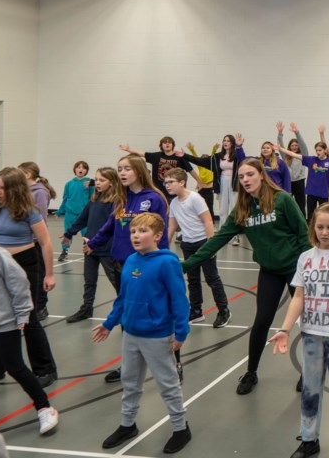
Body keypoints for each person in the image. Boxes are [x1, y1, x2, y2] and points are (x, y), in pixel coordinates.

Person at [179, 158, 310, 395]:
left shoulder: (283, 200)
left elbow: (303, 235)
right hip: (269, 270)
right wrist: (187, 265)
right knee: (262, 321)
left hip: (295, 269)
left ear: (261, 174)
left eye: (250, 174)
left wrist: (306, 272)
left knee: (308, 321)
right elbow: (218, 239)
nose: (246, 180)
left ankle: (309, 371)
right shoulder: (243, 208)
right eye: (241, 177)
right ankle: (251, 371)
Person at [269, 203, 329, 458]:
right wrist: (285, 328)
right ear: (313, 227)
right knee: (310, 390)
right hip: (312, 333)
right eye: (320, 226)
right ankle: (309, 439)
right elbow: (298, 297)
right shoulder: (306, 258)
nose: (324, 232)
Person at [92, 213, 192, 454]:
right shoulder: (131, 261)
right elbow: (123, 298)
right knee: (130, 381)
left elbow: (179, 300)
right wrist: (109, 323)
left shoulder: (167, 263)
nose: (136, 236)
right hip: (131, 334)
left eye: (143, 231)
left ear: (157, 236)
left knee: (167, 384)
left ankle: (180, 428)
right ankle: (128, 424)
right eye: (133, 231)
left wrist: (181, 332)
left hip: (158, 335)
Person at [86, 155, 169, 384]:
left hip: (149, 266)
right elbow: (110, 225)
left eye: (127, 169)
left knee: (158, 312)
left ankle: (174, 361)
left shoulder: (153, 199)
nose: (121, 173)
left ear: (139, 171)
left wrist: (161, 261)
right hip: (122, 264)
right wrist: (93, 243)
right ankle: (129, 366)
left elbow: (160, 234)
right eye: (119, 169)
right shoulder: (121, 198)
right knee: (128, 313)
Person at [0, 168, 57, 387]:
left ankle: (45, 369)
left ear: (14, 189)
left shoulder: (28, 211)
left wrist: (50, 274)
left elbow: (45, 243)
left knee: (29, 317)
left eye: (2, 188)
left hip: (25, 264)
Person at [0, 238, 59, 436]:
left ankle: (45, 408)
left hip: (5, 321)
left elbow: (19, 281)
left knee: (15, 367)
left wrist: (23, 312)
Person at [164, 168, 230, 329]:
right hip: (187, 244)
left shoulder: (195, 198)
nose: (167, 186)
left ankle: (224, 311)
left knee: (212, 279)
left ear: (181, 182)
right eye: (166, 183)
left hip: (203, 243)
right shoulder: (173, 203)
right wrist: (163, 249)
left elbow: (208, 221)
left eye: (171, 182)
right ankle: (196, 311)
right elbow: (171, 227)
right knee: (192, 280)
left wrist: (210, 246)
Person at [61, 167, 122, 323]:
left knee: (117, 282)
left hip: (107, 248)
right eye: (97, 179)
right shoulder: (95, 198)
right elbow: (83, 217)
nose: (98, 183)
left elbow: (111, 226)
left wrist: (97, 242)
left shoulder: (116, 201)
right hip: (89, 247)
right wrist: (69, 233)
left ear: (112, 182)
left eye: (102, 180)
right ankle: (86, 309)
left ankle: (126, 310)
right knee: (89, 281)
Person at [182, 133, 246, 227]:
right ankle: (222, 231)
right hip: (222, 183)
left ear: (232, 143)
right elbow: (200, 161)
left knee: (234, 209)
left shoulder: (237, 155)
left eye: (228, 141)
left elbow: (243, 160)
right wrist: (185, 155)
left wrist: (239, 146)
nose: (225, 142)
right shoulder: (217, 157)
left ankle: (235, 234)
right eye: (224, 140)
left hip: (235, 184)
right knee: (223, 210)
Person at [17, 162, 55, 319]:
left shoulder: (39, 192)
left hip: (36, 241)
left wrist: (37, 238)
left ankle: (41, 306)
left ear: (27, 174)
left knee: (39, 275)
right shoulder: (23, 191)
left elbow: (41, 218)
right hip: (24, 241)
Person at [278, 134, 329, 220]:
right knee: (310, 215)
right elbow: (294, 155)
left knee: (324, 214)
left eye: (320, 150)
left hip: (323, 193)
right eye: (316, 150)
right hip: (311, 192)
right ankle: (310, 232)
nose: (318, 152)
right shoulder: (311, 159)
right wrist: (281, 149)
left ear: (325, 150)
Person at [119, 138, 200, 199]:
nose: (167, 144)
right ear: (161, 145)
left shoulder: (179, 157)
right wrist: (128, 149)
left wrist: (199, 182)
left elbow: (191, 170)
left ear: (172, 145)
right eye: (164, 143)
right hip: (158, 191)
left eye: (169, 143)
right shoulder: (156, 156)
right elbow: (142, 154)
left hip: (174, 193)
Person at [56, 160, 92, 261]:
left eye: (83, 168)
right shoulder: (69, 184)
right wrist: (59, 211)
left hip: (84, 214)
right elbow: (65, 198)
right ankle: (64, 251)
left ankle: (87, 250)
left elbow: (94, 196)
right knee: (67, 233)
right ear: (75, 169)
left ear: (86, 171)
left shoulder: (89, 182)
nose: (81, 169)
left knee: (86, 234)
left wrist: (92, 184)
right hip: (70, 213)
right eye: (79, 167)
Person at [276, 121, 309, 214]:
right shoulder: (286, 156)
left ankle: (302, 223)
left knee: (300, 204)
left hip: (299, 182)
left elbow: (303, 145)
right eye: (292, 145)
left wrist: (297, 133)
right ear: (289, 147)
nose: (294, 147)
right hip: (288, 182)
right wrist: (280, 134)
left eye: (296, 145)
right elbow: (280, 147)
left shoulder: (303, 155)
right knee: (287, 204)